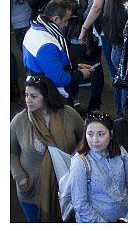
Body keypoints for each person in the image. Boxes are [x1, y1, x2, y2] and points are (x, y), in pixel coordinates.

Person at [10, 74, 84, 221]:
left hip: (67, 187)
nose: (27, 100)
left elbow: (84, 138)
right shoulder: (20, 121)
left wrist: (77, 157)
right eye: (26, 95)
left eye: (33, 96)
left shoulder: (67, 114)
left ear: (46, 96)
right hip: (32, 191)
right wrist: (20, 176)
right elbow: (10, 152)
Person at [68, 111, 128, 223]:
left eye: (101, 134)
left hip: (126, 219)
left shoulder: (120, 152)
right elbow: (80, 204)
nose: (95, 140)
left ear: (111, 134)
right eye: (90, 134)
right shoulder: (79, 162)